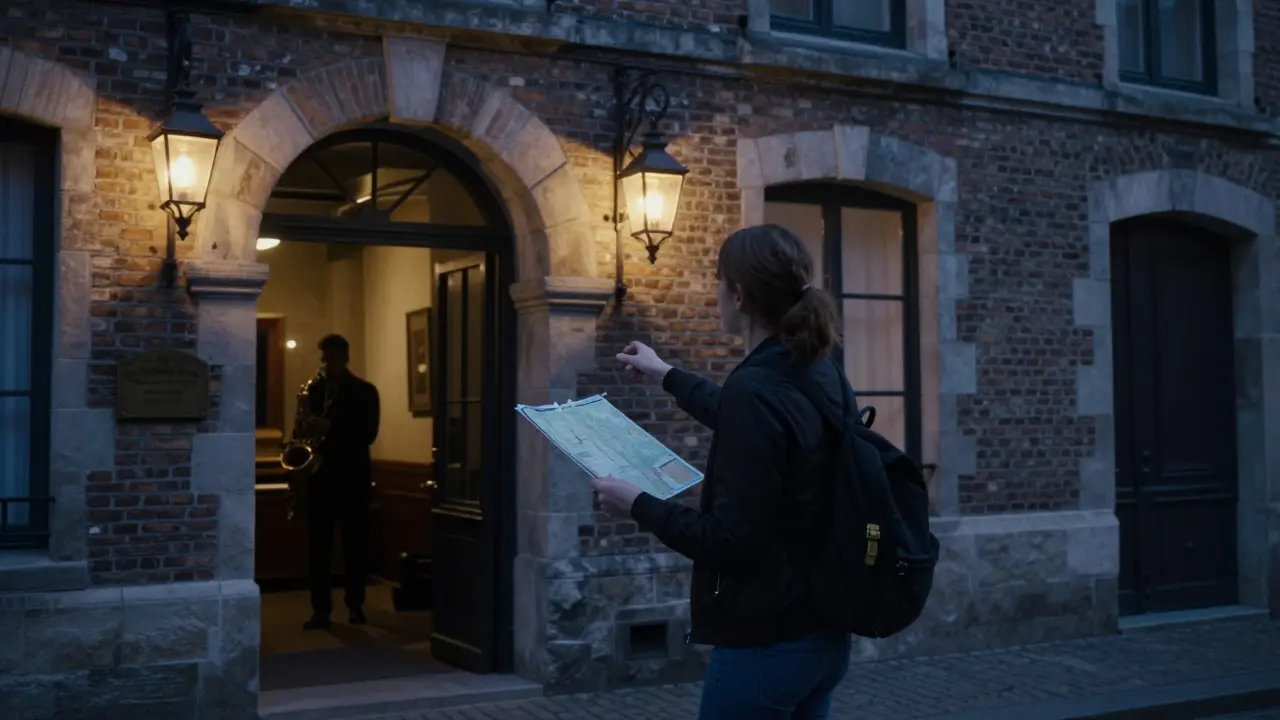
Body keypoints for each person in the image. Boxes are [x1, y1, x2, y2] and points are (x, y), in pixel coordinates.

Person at [592, 224, 851, 719]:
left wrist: (638, 504)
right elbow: (748, 419)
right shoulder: (815, 368)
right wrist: (665, 373)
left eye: (717, 282)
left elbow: (732, 539)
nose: (716, 293)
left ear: (738, 293)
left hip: (765, 642)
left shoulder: (758, 387)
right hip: (822, 634)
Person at [302, 334, 381, 630]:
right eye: (323, 358)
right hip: (320, 478)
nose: (326, 363)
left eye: (331, 357)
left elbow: (368, 433)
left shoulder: (365, 391)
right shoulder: (315, 390)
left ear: (345, 357)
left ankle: (355, 605)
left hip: (352, 477)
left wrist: (331, 426)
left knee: (355, 546)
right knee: (318, 549)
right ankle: (320, 610)